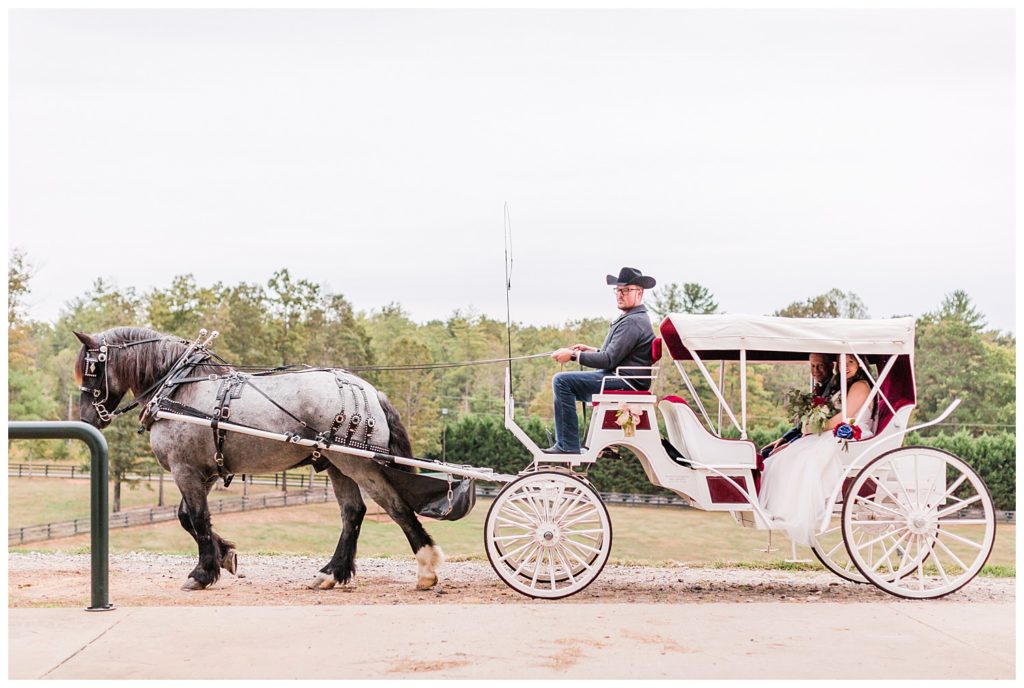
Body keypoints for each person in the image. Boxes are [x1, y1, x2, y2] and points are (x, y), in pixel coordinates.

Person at [758, 353, 876, 547]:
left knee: (805, 457)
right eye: (842, 363)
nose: (845, 366)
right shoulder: (843, 385)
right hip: (834, 430)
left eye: (851, 362)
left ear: (860, 364)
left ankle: (796, 510)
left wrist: (813, 428)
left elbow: (843, 418)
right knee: (787, 455)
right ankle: (782, 509)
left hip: (849, 431)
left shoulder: (860, 386)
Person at [544, 267, 657, 454]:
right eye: (618, 290)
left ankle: (567, 446)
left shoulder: (632, 321)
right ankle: (568, 444)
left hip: (627, 381)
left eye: (626, 290)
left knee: (562, 381)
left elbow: (608, 360)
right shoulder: (631, 318)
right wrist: (591, 350)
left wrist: (573, 356)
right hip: (623, 376)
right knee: (565, 381)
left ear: (640, 292)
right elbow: (615, 355)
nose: (620, 295)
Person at [761, 353, 838, 458]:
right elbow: (804, 423)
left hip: (819, 437)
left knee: (770, 455)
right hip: (807, 435)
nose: (816, 370)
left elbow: (815, 425)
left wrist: (791, 444)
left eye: (820, 365)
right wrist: (784, 438)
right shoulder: (819, 388)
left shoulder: (835, 389)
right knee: (767, 451)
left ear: (831, 366)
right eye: (812, 366)